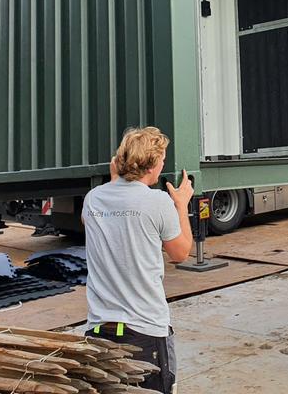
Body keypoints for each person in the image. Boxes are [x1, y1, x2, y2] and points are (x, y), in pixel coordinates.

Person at [82, 126, 194, 394]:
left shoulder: (93, 199)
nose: (163, 165)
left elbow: (99, 220)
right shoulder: (157, 201)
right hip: (145, 334)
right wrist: (181, 205)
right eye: (162, 159)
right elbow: (180, 252)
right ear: (152, 163)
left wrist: (113, 181)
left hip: (98, 332)